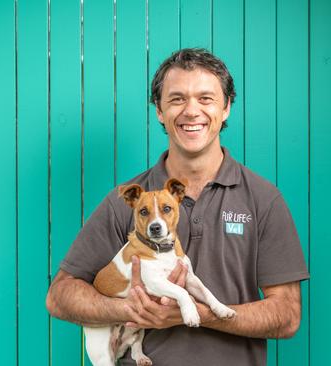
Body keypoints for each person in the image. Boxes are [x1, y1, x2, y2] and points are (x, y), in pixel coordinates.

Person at [46, 48, 310, 365]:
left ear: (226, 108)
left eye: (205, 98)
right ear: (159, 110)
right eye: (177, 99)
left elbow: (287, 315)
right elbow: (60, 296)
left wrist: (198, 313)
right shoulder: (132, 202)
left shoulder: (263, 199)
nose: (191, 110)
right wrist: (129, 308)